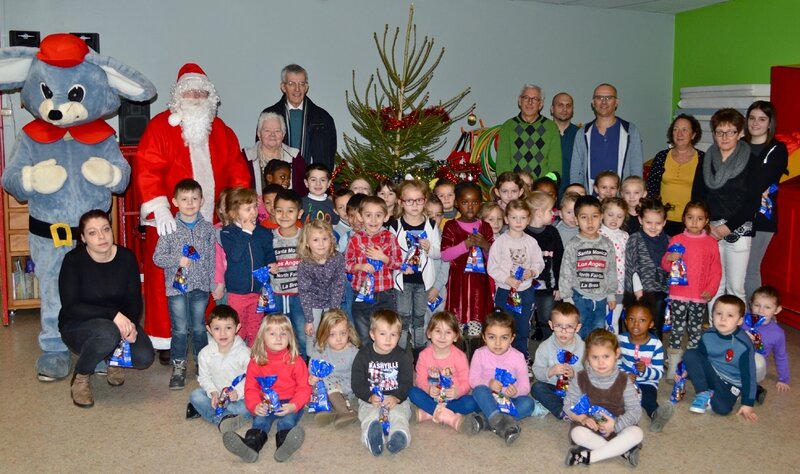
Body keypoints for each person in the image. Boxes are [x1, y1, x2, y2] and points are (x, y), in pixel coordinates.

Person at [135, 63, 250, 356]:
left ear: (210, 97)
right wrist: (160, 207)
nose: (197, 97)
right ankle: (164, 340)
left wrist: (236, 211)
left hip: (208, 224)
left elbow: (238, 171)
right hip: (169, 224)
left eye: (202, 92)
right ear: (178, 97)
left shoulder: (222, 131)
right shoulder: (161, 127)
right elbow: (147, 168)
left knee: (207, 279)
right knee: (168, 285)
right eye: (190, 92)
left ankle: (209, 335)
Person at [58, 210, 154, 408]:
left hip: (117, 324)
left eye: (105, 229)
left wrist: (131, 325)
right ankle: (82, 376)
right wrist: (113, 315)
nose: (101, 237)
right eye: (93, 233)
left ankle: (113, 359)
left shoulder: (126, 257)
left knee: (144, 357)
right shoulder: (73, 260)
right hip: (78, 324)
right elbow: (71, 307)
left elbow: (134, 301)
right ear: (83, 238)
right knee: (107, 332)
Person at [692, 108, 761, 304]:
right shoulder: (705, 159)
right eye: (719, 132)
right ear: (713, 133)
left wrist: (727, 227)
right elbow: (697, 197)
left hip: (738, 230)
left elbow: (753, 202)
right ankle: (715, 329)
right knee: (713, 285)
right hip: (709, 230)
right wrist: (707, 226)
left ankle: (735, 332)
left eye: (730, 131)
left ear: (740, 133)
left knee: (735, 287)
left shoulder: (751, 161)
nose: (724, 137)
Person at [153, 179, 216, 389]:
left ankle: (202, 363)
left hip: (200, 288)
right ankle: (178, 366)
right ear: (175, 202)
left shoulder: (207, 229)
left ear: (202, 201)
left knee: (199, 328)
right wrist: (177, 260)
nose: (190, 203)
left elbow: (211, 257)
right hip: (176, 289)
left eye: (194, 199)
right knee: (179, 330)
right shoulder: (169, 228)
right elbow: (157, 258)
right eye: (184, 199)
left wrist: (213, 282)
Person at [223, 314, 311, 463]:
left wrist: (294, 405)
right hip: (265, 402)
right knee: (260, 423)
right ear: (262, 337)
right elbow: (250, 388)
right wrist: (254, 406)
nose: (278, 338)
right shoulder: (256, 361)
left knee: (286, 422)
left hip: (290, 401)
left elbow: (304, 387)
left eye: (283, 333)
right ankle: (250, 446)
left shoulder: (296, 360)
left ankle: (284, 445)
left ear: (290, 337)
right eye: (272, 333)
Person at [564, 329, 643, 467]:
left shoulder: (624, 380)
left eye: (606, 356)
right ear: (588, 356)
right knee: (577, 434)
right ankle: (622, 451)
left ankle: (588, 457)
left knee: (637, 433)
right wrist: (582, 418)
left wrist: (616, 425)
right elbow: (568, 404)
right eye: (595, 357)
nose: (600, 362)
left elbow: (635, 411)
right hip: (590, 425)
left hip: (618, 425)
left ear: (616, 354)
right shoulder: (580, 377)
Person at [661, 201, 721, 378]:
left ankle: (691, 364)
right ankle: (673, 364)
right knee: (677, 329)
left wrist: (711, 290)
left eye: (699, 218)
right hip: (678, 293)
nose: (694, 222)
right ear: (683, 219)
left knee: (695, 330)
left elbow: (716, 270)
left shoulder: (711, 243)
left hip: (699, 295)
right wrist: (670, 258)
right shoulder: (677, 239)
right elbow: (665, 264)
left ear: (706, 221)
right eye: (690, 217)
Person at [487, 199, 544, 369]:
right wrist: (507, 279)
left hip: (525, 292)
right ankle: (501, 360)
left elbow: (539, 263)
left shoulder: (531, 242)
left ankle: (521, 360)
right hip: (505, 292)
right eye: (514, 218)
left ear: (528, 219)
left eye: (523, 218)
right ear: (506, 219)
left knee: (523, 328)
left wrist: (532, 272)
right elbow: (492, 267)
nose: (518, 222)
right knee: (503, 326)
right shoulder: (500, 242)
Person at [469, 309, 539, 446]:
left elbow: (525, 386)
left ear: (512, 338)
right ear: (483, 337)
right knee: (478, 391)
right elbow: (473, 380)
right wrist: (489, 383)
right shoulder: (479, 354)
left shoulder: (518, 357)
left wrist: (516, 391)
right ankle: (502, 423)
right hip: (488, 398)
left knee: (528, 404)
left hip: (509, 400)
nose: (497, 343)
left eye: (504, 338)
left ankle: (486, 421)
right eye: (492, 337)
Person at [683, 295, 759, 420]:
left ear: (740, 321)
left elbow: (749, 375)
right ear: (712, 315)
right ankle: (703, 393)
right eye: (718, 313)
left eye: (730, 315)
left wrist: (748, 403)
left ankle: (715, 393)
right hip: (713, 372)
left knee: (721, 409)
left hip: (730, 382)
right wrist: (685, 370)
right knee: (690, 354)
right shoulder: (708, 334)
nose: (723, 319)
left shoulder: (743, 345)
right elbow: (699, 356)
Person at [351, 310, 414, 456]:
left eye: (393, 334)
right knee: (370, 416)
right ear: (372, 335)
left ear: (399, 336)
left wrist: (397, 397)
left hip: (397, 399)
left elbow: (407, 383)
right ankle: (371, 436)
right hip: (371, 400)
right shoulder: (363, 356)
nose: (388, 339)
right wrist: (368, 396)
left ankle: (400, 436)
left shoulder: (403, 356)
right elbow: (357, 383)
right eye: (382, 334)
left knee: (399, 415)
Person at [743, 101, 789, 301]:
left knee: (750, 269)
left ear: (770, 123)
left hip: (762, 218)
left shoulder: (777, 149)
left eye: (762, 119)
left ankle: (757, 320)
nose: (756, 123)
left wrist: (744, 184)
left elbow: (762, 181)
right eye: (752, 118)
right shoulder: (739, 144)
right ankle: (734, 315)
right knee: (733, 270)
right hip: (736, 215)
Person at [389, 180, 442, 352]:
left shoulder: (431, 225)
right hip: (403, 280)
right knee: (403, 316)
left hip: (423, 281)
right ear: (401, 202)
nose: (414, 205)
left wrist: (429, 249)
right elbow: (391, 253)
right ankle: (401, 349)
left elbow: (438, 253)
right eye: (409, 201)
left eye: (419, 200)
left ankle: (419, 349)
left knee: (419, 316)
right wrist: (401, 266)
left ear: (425, 201)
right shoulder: (395, 225)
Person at [408, 311, 481, 434]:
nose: (442, 336)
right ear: (429, 333)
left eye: (448, 332)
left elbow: (467, 382)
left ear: (456, 336)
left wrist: (457, 392)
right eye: (438, 331)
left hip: (452, 399)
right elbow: (420, 380)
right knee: (412, 392)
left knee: (472, 402)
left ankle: (428, 413)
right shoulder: (424, 355)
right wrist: (428, 389)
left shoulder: (460, 356)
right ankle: (450, 418)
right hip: (431, 397)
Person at [220, 188, 276, 346]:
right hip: (238, 291)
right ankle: (236, 358)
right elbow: (235, 256)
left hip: (259, 290)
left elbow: (268, 253)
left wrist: (272, 263)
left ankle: (253, 358)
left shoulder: (264, 232)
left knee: (256, 328)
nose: (253, 212)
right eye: (247, 209)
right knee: (238, 328)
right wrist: (245, 232)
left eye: (254, 207)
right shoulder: (227, 233)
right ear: (233, 213)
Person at [345, 196, 403, 343]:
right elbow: (346, 264)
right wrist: (360, 266)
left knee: (385, 331)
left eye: (378, 215)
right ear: (360, 216)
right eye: (368, 215)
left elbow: (398, 264)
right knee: (364, 334)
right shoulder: (355, 239)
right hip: (361, 294)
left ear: (386, 217)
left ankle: (385, 360)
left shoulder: (390, 238)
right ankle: (367, 362)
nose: (373, 220)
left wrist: (383, 257)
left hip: (384, 294)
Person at [441, 182, 494, 341]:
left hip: (479, 285)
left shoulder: (486, 227)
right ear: (457, 203)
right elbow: (445, 255)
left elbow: (495, 257)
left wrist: (485, 245)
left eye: (475, 202)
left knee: (476, 327)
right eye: (465, 202)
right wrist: (465, 245)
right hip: (458, 283)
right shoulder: (451, 226)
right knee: (455, 327)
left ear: (481, 204)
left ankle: (475, 356)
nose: (470, 207)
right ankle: (455, 357)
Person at [559, 196, 617, 339]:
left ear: (601, 217)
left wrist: (611, 293)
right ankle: (576, 359)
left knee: (597, 331)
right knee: (578, 331)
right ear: (577, 219)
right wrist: (566, 297)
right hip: (579, 296)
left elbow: (610, 270)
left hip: (601, 297)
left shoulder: (607, 244)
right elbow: (566, 271)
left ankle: (593, 359)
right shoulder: (573, 244)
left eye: (595, 216)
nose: (590, 222)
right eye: (584, 217)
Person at [186, 305, 251, 432]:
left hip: (239, 397)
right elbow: (204, 378)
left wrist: (238, 392)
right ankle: (224, 419)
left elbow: (251, 377)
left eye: (228, 328)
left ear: (237, 328)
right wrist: (213, 392)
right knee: (195, 395)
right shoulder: (205, 354)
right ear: (209, 329)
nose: (222, 333)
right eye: (216, 328)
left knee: (249, 406)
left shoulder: (245, 353)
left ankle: (217, 415)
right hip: (216, 395)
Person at [261, 64, 337, 171]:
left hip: (313, 182)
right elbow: (261, 150)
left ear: (306, 87)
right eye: (291, 84)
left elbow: (329, 156)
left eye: (301, 84)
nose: (297, 89)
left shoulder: (323, 118)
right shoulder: (269, 116)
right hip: (279, 182)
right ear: (283, 87)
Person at [570, 83, 643, 189]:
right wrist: (576, 194)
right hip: (591, 199)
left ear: (616, 103)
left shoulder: (630, 131)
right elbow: (576, 170)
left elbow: (636, 169)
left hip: (621, 200)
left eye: (608, 97)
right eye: (599, 98)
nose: (603, 102)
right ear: (593, 103)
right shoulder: (583, 133)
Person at [617, 299, 673, 433]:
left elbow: (659, 372)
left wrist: (646, 371)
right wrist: (623, 375)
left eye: (642, 320)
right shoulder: (620, 340)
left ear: (651, 324)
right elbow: (614, 363)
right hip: (625, 381)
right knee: (618, 398)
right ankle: (622, 422)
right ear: (625, 321)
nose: (636, 324)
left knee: (649, 399)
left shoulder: (656, 345)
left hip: (648, 382)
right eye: (631, 319)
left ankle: (656, 416)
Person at [645, 114, 705, 236]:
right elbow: (651, 189)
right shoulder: (662, 156)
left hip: (691, 222)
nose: (679, 134)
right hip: (662, 221)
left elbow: (706, 193)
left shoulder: (703, 158)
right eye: (676, 129)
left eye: (684, 130)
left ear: (693, 134)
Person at [298, 219, 346, 354]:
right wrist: (309, 320)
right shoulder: (305, 264)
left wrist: (333, 311)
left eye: (325, 239)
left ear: (331, 239)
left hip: (332, 301)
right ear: (307, 243)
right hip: (312, 303)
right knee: (311, 333)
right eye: (315, 240)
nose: (321, 244)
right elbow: (305, 292)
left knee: (333, 331)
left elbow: (339, 284)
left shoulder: (337, 259)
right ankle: (311, 364)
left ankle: (330, 361)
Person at [624, 198, 670, 340]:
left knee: (656, 324)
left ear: (664, 222)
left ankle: (656, 354)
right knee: (637, 325)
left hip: (661, 290)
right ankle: (635, 352)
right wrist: (637, 290)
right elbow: (631, 266)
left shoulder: (669, 240)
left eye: (658, 223)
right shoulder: (635, 239)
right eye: (648, 222)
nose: (653, 227)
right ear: (640, 220)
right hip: (639, 291)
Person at [268, 189, 307, 357]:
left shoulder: (305, 236)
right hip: (278, 293)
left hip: (302, 294)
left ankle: (305, 366)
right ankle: (282, 367)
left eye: (290, 211)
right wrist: (268, 266)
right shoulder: (269, 237)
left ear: (299, 213)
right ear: (273, 211)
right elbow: (262, 261)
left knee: (303, 334)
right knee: (280, 334)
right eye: (279, 210)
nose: (284, 215)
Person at [496, 84, 562, 180]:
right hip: (514, 189)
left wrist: (546, 185)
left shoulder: (551, 128)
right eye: (526, 97)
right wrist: (513, 186)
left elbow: (555, 165)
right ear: (520, 101)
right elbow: (502, 164)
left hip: (541, 189)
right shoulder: (508, 127)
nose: (530, 102)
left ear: (541, 104)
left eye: (535, 99)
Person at [531, 302, 585, 419]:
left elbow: (590, 373)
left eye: (569, 327)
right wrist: (550, 371)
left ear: (578, 328)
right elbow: (536, 370)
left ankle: (575, 406)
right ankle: (562, 411)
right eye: (559, 325)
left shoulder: (584, 348)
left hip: (575, 389)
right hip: (553, 387)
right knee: (537, 388)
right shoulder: (545, 347)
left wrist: (574, 374)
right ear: (551, 325)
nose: (563, 331)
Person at [308, 309, 360, 428]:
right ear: (324, 335)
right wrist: (312, 377)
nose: (339, 339)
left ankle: (345, 412)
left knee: (326, 379)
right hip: (327, 388)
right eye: (332, 334)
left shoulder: (354, 353)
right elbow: (313, 365)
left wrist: (343, 387)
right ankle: (329, 411)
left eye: (343, 333)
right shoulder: (321, 350)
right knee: (316, 385)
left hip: (345, 388)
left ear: (349, 332)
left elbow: (359, 378)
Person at [525, 191, 563, 341]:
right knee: (524, 320)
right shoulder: (523, 233)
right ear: (539, 213)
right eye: (550, 211)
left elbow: (560, 259)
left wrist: (559, 286)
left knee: (547, 320)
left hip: (548, 287)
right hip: (525, 286)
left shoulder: (553, 232)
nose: (553, 214)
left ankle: (549, 350)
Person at [244, 111, 307, 197]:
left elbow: (304, 193)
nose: (272, 135)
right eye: (267, 130)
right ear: (259, 134)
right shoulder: (245, 159)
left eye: (277, 131)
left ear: (283, 135)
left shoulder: (296, 159)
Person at [746, 286, 790, 392]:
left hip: (756, 365)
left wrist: (783, 379)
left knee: (758, 363)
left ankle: (748, 386)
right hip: (736, 358)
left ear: (777, 310)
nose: (761, 310)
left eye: (767, 307)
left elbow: (781, 356)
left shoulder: (778, 333)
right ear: (751, 304)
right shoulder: (742, 320)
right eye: (757, 305)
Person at [598, 197, 628, 334]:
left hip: (620, 286)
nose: (614, 219)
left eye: (619, 216)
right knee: (600, 321)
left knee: (614, 321)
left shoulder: (625, 236)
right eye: (610, 215)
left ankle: (613, 350)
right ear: (602, 214)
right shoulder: (597, 234)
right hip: (601, 286)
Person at [424, 195, 450, 329]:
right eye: (429, 214)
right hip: (419, 289)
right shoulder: (417, 236)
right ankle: (421, 348)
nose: (434, 219)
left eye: (438, 215)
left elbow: (445, 268)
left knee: (437, 323)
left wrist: (436, 287)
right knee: (420, 321)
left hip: (438, 289)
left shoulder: (444, 239)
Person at [551, 92, 580, 196]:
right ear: (552, 109)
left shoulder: (580, 134)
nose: (564, 109)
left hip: (573, 193)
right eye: (560, 105)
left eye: (568, 105)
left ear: (573, 109)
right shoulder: (543, 133)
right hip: (547, 192)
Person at [213, 188, 232, 303]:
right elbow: (217, 261)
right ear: (220, 209)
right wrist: (220, 284)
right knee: (224, 317)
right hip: (223, 284)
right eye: (226, 204)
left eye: (233, 203)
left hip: (242, 283)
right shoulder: (215, 231)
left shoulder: (246, 230)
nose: (230, 207)